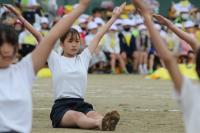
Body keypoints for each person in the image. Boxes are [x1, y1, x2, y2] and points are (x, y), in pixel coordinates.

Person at [0, 1, 90, 132]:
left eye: (10, 43)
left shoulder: (24, 70)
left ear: (16, 47)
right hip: (62, 108)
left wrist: (81, 7)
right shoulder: (26, 69)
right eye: (1, 44)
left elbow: (50, 36)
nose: (6, 50)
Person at [48, 3, 126, 131]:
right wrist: (22, 19)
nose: (74, 45)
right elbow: (39, 37)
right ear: (62, 44)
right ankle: (100, 124)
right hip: (61, 107)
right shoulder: (55, 58)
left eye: (77, 41)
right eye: (70, 41)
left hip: (81, 104)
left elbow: (99, 35)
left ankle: (104, 121)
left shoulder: (83, 58)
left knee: (93, 114)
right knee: (78, 116)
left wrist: (114, 17)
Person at [133, 0, 200, 133]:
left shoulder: (191, 93)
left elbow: (168, 59)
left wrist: (148, 18)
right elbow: (192, 43)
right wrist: (169, 24)